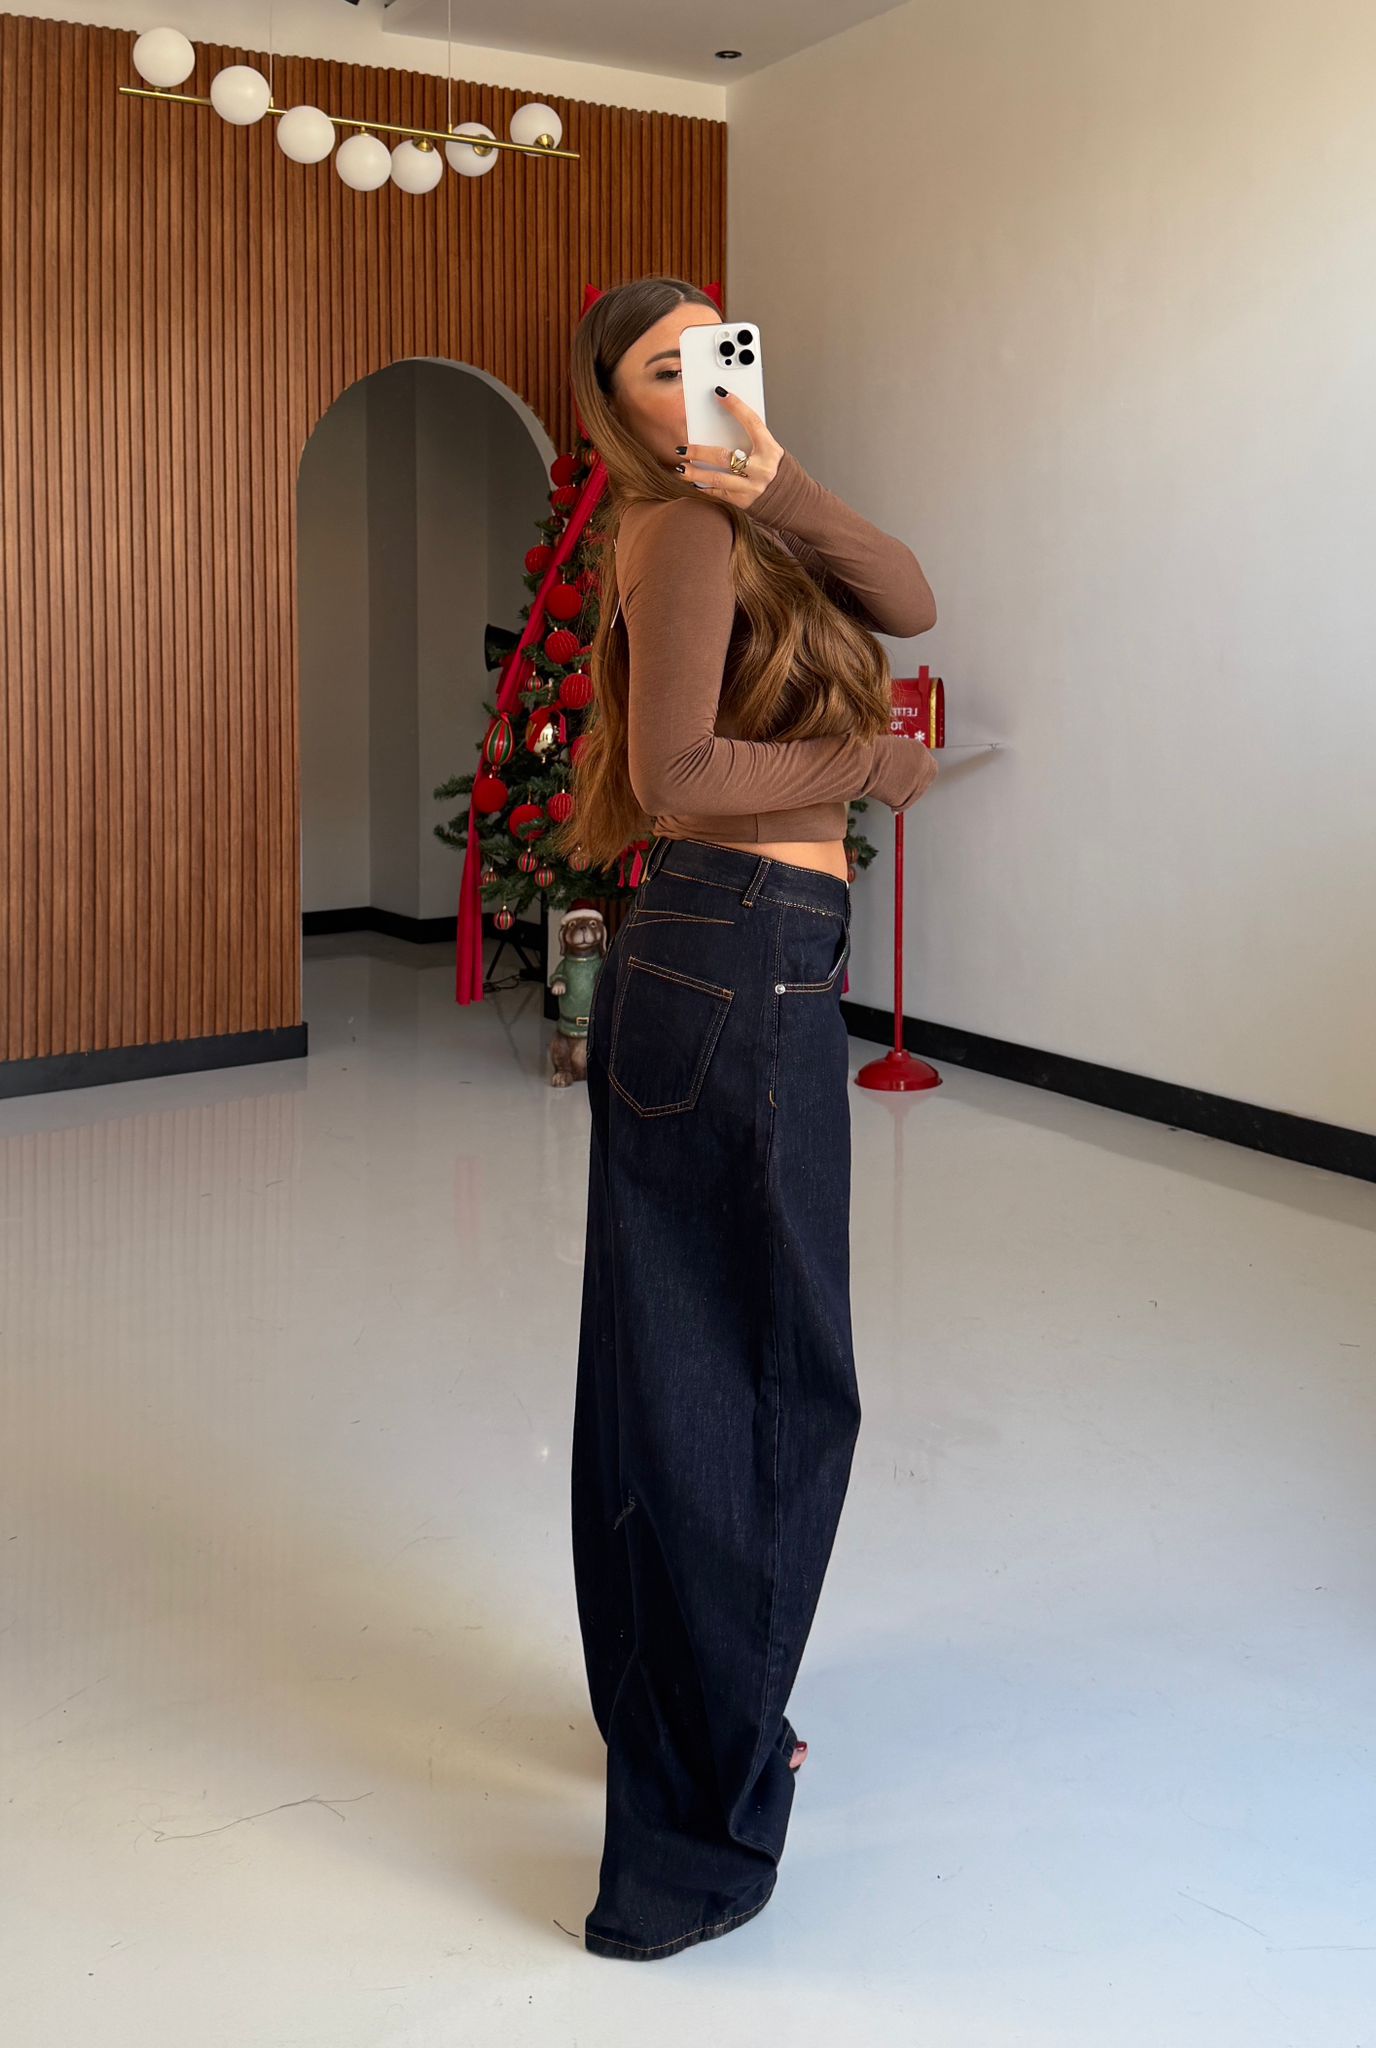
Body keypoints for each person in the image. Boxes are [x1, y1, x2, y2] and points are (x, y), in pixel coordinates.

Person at [553, 276, 939, 1961]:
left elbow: (908, 593)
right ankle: (696, 1843)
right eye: (665, 363)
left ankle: (676, 1723)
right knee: (767, 1392)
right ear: (620, 406)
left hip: (717, 957)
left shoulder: (737, 519)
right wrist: (876, 767)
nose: (704, 374)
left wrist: (781, 479)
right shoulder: (682, 533)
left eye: (722, 344)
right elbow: (681, 778)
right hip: (740, 955)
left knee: (669, 1375)